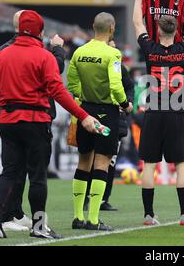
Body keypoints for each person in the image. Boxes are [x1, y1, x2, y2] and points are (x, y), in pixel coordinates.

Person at [0, 10, 98, 239]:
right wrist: (83, 115)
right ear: (41, 31)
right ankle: (38, 226)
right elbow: (58, 91)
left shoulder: (2, 55)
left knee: (9, 172)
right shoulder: (44, 56)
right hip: (36, 121)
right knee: (37, 176)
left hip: (8, 120)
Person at [133, 0, 184, 226]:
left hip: (153, 113)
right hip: (175, 114)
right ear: (176, 31)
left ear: (158, 29)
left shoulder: (150, 50)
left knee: (149, 166)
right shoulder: (183, 49)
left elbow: (137, 24)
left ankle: (149, 216)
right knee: (181, 165)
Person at [0, 10, 68, 232]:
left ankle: (8, 215)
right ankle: (13, 217)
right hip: (29, 116)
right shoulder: (26, 51)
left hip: (12, 117)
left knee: (16, 171)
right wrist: (57, 50)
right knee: (31, 173)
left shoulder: (6, 51)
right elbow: (53, 76)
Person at [67, 12, 132, 231]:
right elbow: (115, 85)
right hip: (107, 114)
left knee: (83, 161)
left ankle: (77, 217)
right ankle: (93, 219)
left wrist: (84, 101)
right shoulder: (112, 54)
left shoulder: (79, 52)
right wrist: (125, 105)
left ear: (93, 27)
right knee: (102, 163)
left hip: (84, 112)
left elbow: (72, 85)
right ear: (112, 28)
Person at [83, 41, 135, 212]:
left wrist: (127, 103)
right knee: (88, 160)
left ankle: (103, 199)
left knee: (109, 162)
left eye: (114, 45)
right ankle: (85, 198)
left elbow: (129, 87)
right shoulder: (92, 63)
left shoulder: (120, 67)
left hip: (115, 119)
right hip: (94, 116)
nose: (112, 47)